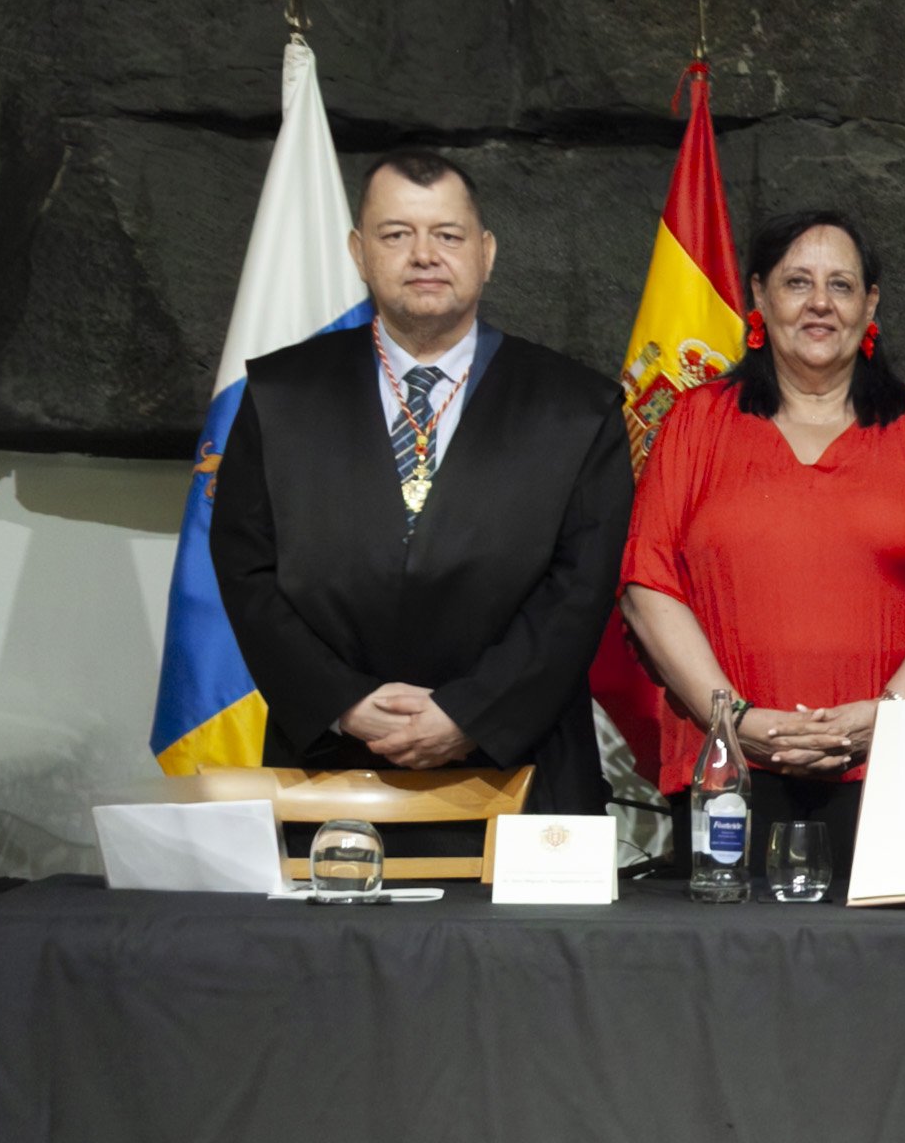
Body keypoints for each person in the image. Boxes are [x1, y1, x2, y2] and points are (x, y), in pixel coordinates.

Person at [208, 150, 633, 832]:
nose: (424, 254)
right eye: (396, 234)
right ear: (358, 251)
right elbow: (244, 568)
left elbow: (579, 591)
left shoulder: (575, 407)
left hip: (524, 775)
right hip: (331, 764)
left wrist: (471, 712)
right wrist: (343, 701)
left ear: (487, 252)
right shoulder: (283, 396)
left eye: (448, 234)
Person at [617, 211, 905, 882]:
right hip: (728, 774)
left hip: (894, 772)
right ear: (759, 297)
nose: (820, 302)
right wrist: (736, 721)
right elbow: (648, 589)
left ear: (870, 302)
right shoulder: (693, 424)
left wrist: (885, 719)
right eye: (798, 282)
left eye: (841, 285)